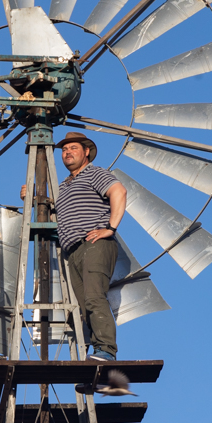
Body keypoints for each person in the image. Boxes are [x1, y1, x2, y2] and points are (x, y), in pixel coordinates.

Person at [53, 132, 127, 361]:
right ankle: (96, 355)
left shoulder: (93, 173)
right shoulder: (63, 187)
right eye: (65, 150)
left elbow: (118, 191)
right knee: (84, 306)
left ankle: (106, 350)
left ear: (86, 152)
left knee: (94, 297)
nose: (67, 153)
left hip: (94, 243)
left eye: (73, 148)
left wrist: (111, 228)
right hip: (72, 251)